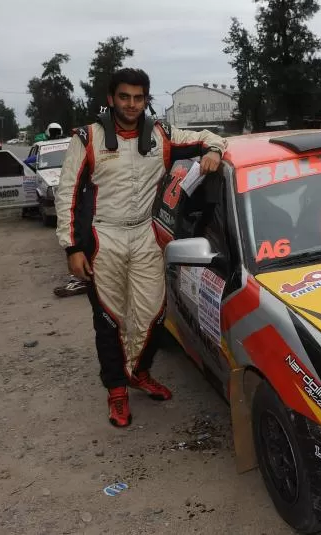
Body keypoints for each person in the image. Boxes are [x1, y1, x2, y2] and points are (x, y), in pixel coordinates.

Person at [55, 67, 227, 428]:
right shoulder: (87, 138)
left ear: (147, 99)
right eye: (124, 97)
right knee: (109, 317)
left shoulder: (162, 134)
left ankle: (138, 371)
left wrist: (212, 149)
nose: (131, 105)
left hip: (147, 236)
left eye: (139, 98)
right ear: (110, 98)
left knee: (153, 313)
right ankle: (116, 390)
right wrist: (72, 248)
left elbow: (210, 137)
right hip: (105, 238)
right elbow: (67, 193)